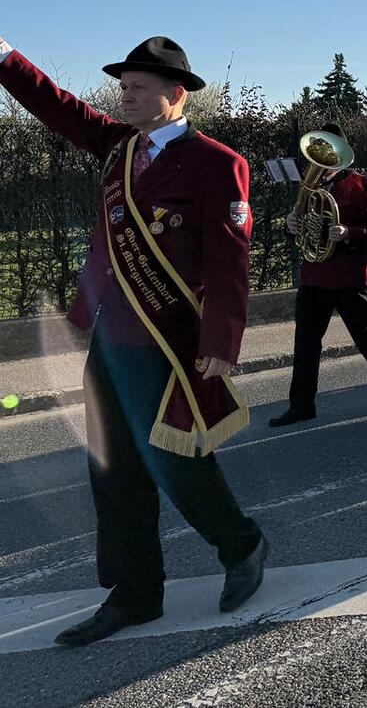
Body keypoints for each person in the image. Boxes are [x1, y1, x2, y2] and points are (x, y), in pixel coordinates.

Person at [0, 35, 267, 645]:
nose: (125, 96)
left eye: (138, 88)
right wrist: (5, 56)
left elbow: (230, 260)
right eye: (123, 87)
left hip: (166, 338)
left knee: (174, 459)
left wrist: (222, 339)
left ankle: (242, 544)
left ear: (176, 95)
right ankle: (136, 593)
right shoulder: (120, 147)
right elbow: (56, 105)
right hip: (110, 335)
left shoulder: (216, 162)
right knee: (113, 467)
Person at [270, 123, 367, 427]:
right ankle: (301, 405)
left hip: (349, 275)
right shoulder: (310, 188)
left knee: (365, 336)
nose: (322, 163)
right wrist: (291, 225)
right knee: (305, 342)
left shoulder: (364, 185)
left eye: (329, 155)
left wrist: (349, 233)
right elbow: (303, 228)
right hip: (314, 275)